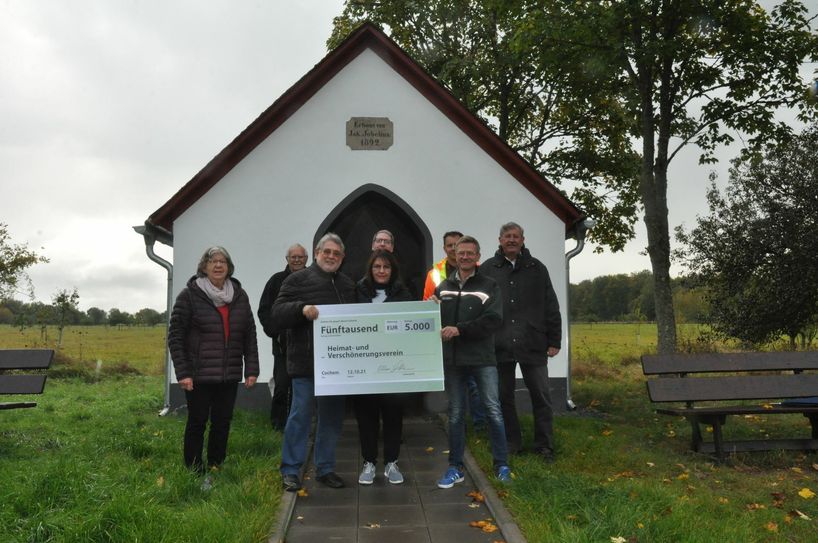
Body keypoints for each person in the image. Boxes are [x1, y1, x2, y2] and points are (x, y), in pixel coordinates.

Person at [167, 246, 259, 490]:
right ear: (204, 267)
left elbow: (249, 334)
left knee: (223, 421)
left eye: (222, 261)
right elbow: (175, 336)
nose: (218, 265)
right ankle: (194, 469)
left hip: (228, 373)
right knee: (197, 421)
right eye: (213, 261)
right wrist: (183, 373)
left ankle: (216, 465)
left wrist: (251, 369)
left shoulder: (239, 296)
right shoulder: (189, 295)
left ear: (229, 267)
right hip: (198, 374)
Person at [271, 233, 356, 491]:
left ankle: (325, 468)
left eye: (336, 253)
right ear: (317, 253)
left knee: (331, 419)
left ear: (343, 258)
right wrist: (301, 309)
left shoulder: (347, 285)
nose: (331, 256)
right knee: (300, 416)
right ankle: (290, 470)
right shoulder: (296, 280)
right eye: (326, 251)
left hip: (337, 367)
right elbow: (277, 313)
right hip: (306, 364)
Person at [432, 235, 511, 488]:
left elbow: (493, 320)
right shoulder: (443, 287)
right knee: (455, 414)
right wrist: (431, 310)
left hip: (482, 359)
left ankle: (502, 465)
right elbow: (435, 322)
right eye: (461, 252)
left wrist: (460, 329)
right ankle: (455, 467)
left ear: (478, 256)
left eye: (470, 253)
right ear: (454, 255)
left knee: (493, 410)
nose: (465, 257)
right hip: (454, 361)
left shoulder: (489, 285)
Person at [480, 222, 561, 462]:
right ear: (500, 240)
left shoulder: (537, 268)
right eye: (507, 236)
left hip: (533, 342)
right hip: (499, 344)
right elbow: (478, 307)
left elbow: (551, 304)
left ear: (523, 240)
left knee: (541, 396)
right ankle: (511, 443)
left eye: (516, 236)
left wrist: (555, 340)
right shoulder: (487, 269)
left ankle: (544, 446)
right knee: (503, 397)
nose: (512, 240)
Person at [354, 249, 413, 485]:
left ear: (393, 270)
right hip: (364, 367)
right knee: (366, 417)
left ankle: (391, 463)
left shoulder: (403, 293)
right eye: (377, 266)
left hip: (393, 366)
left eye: (386, 267)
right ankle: (369, 463)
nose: (381, 271)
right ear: (370, 269)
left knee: (393, 416)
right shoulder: (357, 292)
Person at [423, 230, 486, 431]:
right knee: (454, 387)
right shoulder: (434, 274)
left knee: (475, 386)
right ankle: (457, 427)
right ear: (444, 248)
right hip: (447, 339)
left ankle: (479, 426)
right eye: (449, 245)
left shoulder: (480, 271)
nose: (453, 248)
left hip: (472, 337)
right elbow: (426, 304)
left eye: (456, 244)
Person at [257, 243, 308, 431]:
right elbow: (264, 310)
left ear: (306, 259)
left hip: (307, 345)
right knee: (281, 386)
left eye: (300, 257)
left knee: (301, 388)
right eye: (293, 257)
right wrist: (275, 332)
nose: (297, 260)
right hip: (282, 346)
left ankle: (300, 425)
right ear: (287, 259)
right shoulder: (276, 281)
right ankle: (278, 426)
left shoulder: (312, 280)